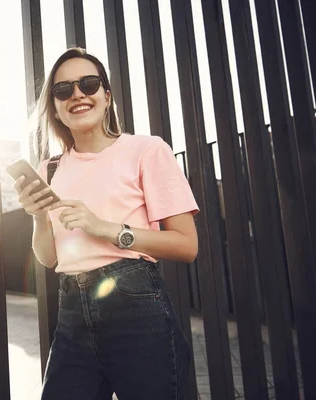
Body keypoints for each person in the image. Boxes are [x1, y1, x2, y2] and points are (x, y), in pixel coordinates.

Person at [14, 47, 200, 399]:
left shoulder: (146, 150)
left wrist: (106, 228)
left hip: (137, 307)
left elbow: (186, 245)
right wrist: (39, 218)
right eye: (63, 89)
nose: (78, 95)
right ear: (54, 106)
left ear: (106, 95)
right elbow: (49, 258)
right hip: (71, 311)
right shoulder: (49, 169)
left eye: (89, 83)